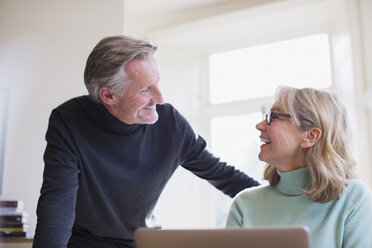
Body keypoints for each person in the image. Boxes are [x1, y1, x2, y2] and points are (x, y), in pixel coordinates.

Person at [32, 35, 259, 248]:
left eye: (157, 83)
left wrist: (282, 202)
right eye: (146, 89)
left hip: (143, 241)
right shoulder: (69, 121)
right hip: (84, 242)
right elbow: (57, 202)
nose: (160, 98)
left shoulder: (170, 123)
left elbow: (223, 175)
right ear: (109, 95)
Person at [226, 86, 372, 248]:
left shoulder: (354, 200)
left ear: (310, 136)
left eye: (272, 117)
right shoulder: (244, 205)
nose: (259, 125)